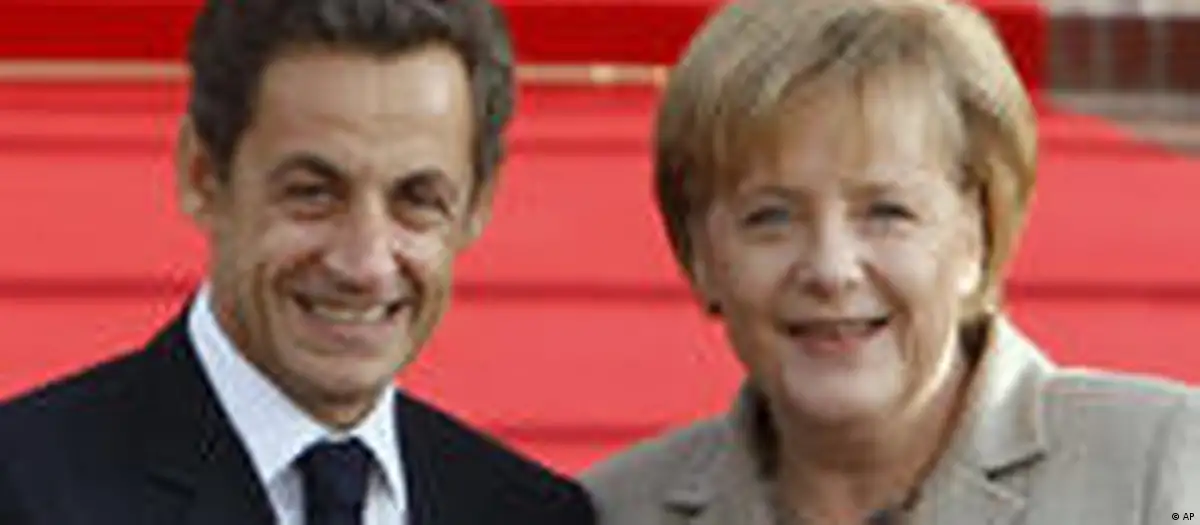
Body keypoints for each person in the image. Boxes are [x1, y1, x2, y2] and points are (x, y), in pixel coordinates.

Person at [581, 0, 1199, 523]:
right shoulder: (615, 511)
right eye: (770, 217)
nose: (831, 269)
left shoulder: (1168, 471)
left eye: (886, 212)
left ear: (977, 234)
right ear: (701, 252)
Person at [0, 1, 595, 524]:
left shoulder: (530, 513)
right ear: (203, 177)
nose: (364, 264)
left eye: (417, 199)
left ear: (477, 205)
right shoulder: (22, 488)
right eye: (313, 192)